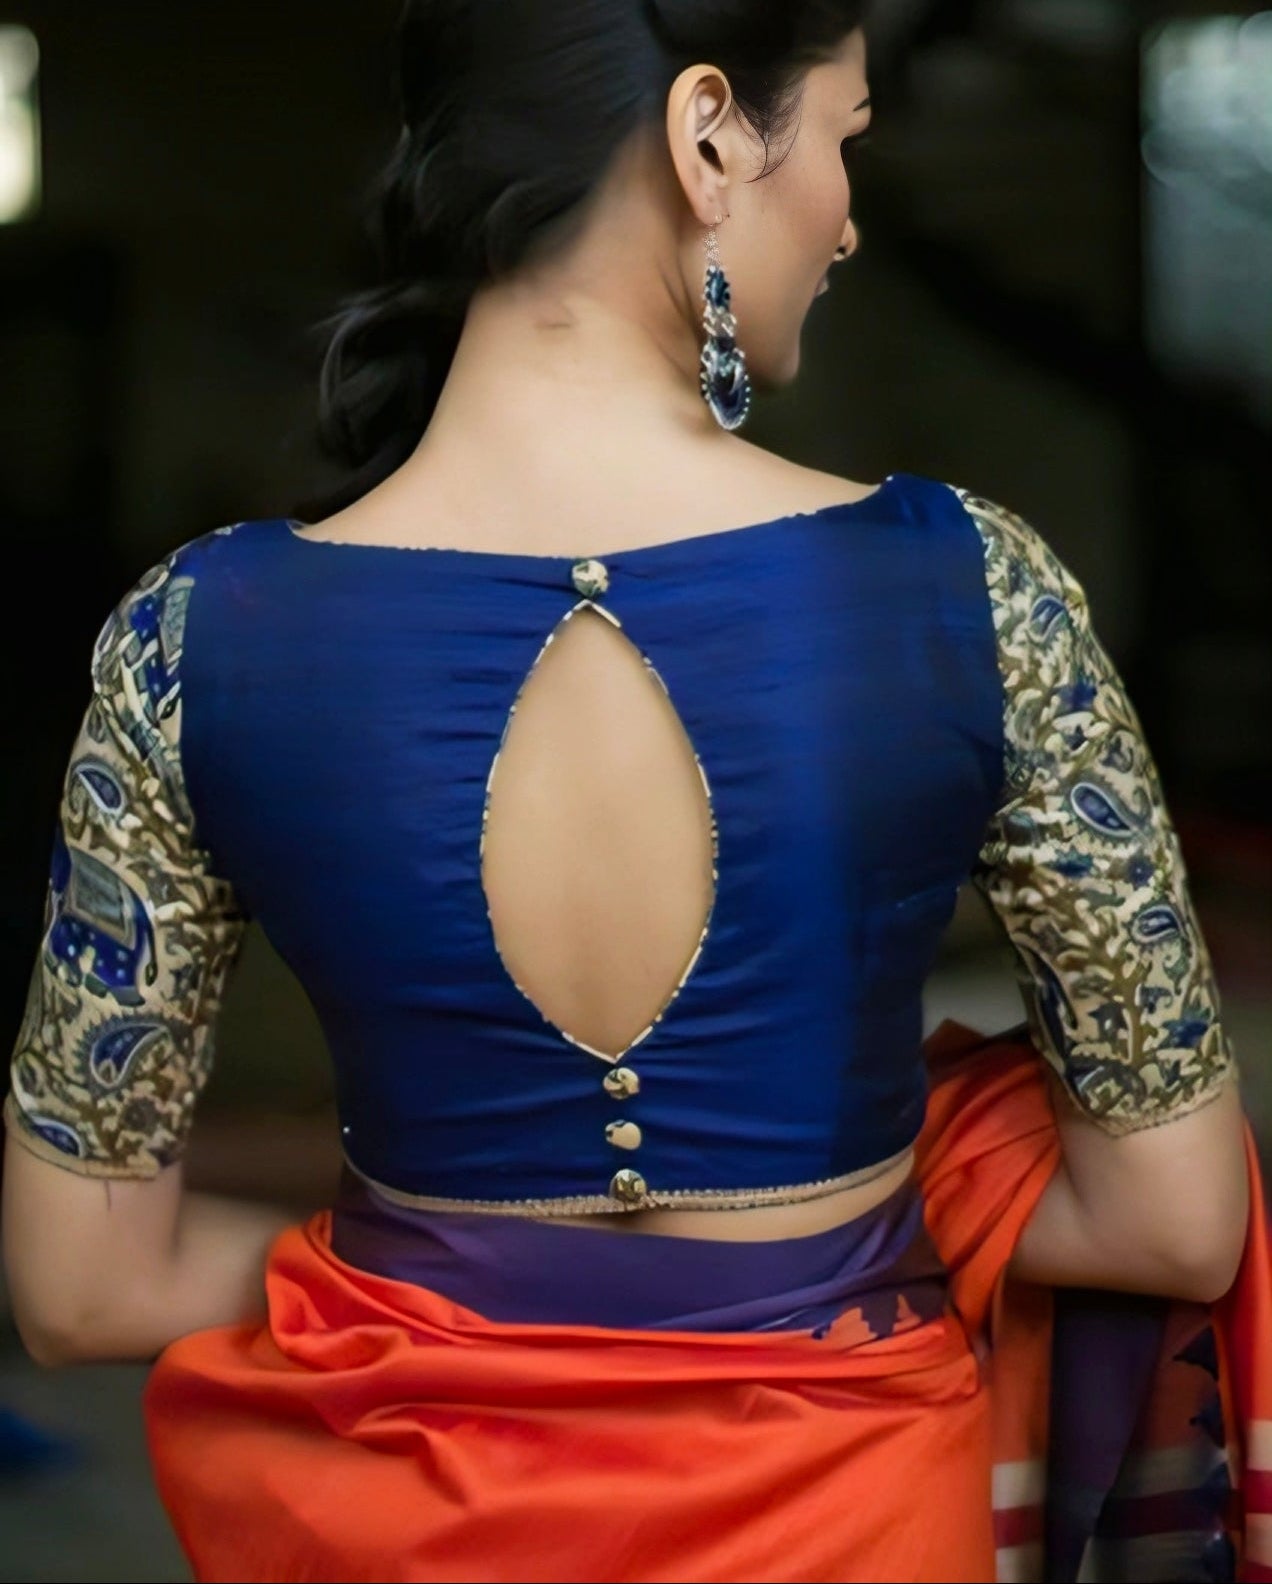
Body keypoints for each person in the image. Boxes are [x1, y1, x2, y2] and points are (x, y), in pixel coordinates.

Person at [2, 5, 1267, 1581]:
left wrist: (429, 1275)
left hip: (400, 1527)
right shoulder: (978, 595)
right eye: (846, 142)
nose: (851, 223)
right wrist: (862, 1217)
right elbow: (1170, 1222)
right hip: (848, 1515)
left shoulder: (193, 642)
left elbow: (83, 1289)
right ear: (707, 135)